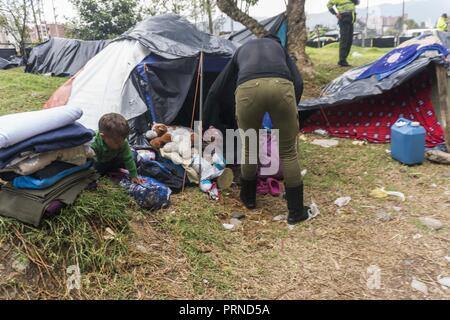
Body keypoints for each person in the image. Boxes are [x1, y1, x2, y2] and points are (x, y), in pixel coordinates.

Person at [204, 34, 311, 225]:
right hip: (282, 88)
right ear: (275, 42)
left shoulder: (242, 49)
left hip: (247, 89)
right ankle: (295, 212)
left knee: (249, 148)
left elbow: (216, 89)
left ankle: (249, 199)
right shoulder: (279, 50)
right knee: (288, 151)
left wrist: (205, 120)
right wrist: (292, 108)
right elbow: (299, 82)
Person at [91, 113, 144, 184]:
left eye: (123, 140)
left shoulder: (122, 142)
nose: (120, 144)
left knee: (133, 157)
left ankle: (112, 170)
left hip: (114, 159)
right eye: (117, 142)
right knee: (96, 171)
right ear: (103, 137)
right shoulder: (94, 144)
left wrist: (134, 175)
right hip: (100, 162)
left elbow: (128, 159)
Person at [327, 0, 360, 67]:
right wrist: (335, 13)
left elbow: (357, 3)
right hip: (344, 20)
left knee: (349, 41)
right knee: (344, 41)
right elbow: (329, 5)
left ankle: (344, 60)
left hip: (351, 21)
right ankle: (342, 61)